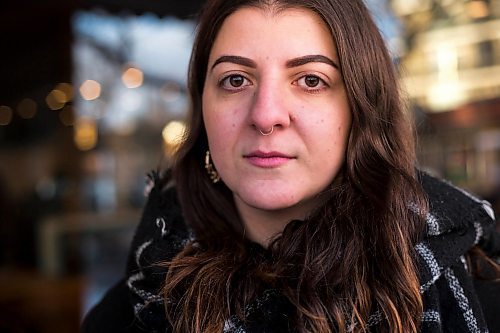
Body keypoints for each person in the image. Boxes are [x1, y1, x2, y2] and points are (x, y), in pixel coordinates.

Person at [82, 0, 500, 332]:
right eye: (234, 80)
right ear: (203, 113)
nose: (266, 115)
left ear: (361, 111)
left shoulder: (480, 295)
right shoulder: (131, 312)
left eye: (311, 80)